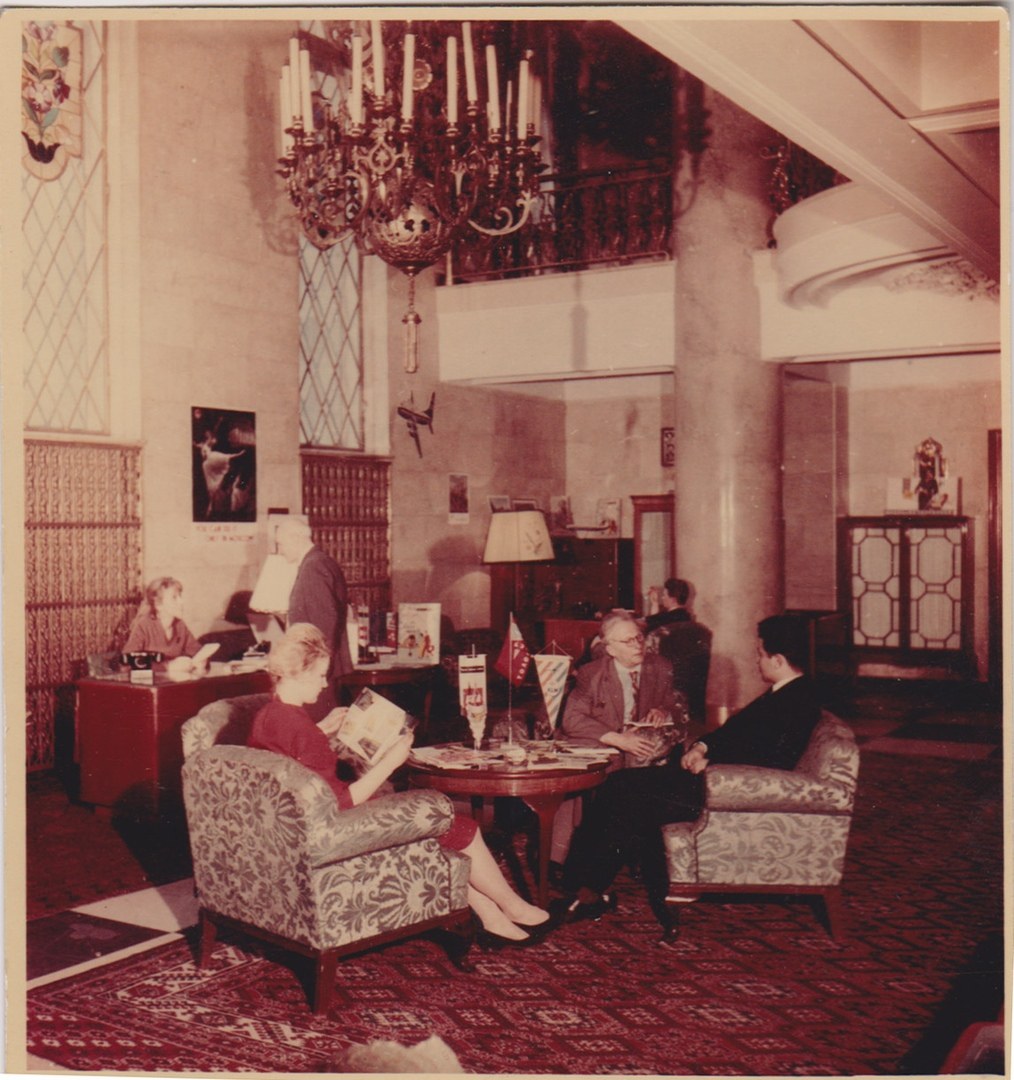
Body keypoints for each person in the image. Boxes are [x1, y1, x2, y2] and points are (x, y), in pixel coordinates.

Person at [249, 623, 551, 947]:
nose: (324, 684)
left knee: (433, 833)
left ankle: (491, 917)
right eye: (320, 676)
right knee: (454, 823)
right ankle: (512, 905)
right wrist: (391, 761)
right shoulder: (301, 730)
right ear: (298, 673)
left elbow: (294, 755)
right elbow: (342, 802)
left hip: (293, 828)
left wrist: (321, 730)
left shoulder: (268, 715)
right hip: (333, 831)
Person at [561, 612, 822, 947]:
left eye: (760, 654)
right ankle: (583, 887)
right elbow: (735, 731)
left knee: (627, 793)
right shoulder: (784, 691)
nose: (756, 660)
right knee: (620, 786)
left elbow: (773, 761)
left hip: (722, 787)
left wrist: (711, 762)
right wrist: (702, 746)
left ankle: (584, 889)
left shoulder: (796, 700)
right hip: (713, 775)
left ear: (779, 659)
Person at [558, 611, 700, 935]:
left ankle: (588, 884)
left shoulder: (660, 667)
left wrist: (663, 710)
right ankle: (587, 880)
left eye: (639, 637)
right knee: (625, 797)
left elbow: (677, 705)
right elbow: (572, 720)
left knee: (633, 796)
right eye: (628, 641)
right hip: (611, 754)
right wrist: (619, 739)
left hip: (648, 759)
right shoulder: (592, 673)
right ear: (609, 648)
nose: (637, 646)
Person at [276, 516, 354, 720]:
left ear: (296, 538)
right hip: (317, 667)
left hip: (314, 670)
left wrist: (315, 669)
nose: (279, 551)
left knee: (321, 725)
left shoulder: (314, 567)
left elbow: (324, 623)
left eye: (280, 544)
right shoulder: (318, 562)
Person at [123, 576, 209, 679]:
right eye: (174, 598)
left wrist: (201, 660)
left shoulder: (180, 625)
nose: (181, 602)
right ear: (158, 605)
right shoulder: (144, 626)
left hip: (172, 683)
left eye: (180, 596)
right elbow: (126, 663)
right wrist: (167, 667)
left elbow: (197, 651)